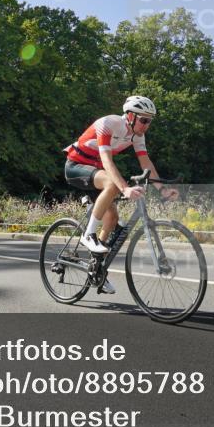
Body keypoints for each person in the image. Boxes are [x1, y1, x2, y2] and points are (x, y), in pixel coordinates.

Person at [64, 96, 178, 292]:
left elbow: (146, 163)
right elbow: (107, 161)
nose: (146, 125)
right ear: (131, 116)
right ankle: (88, 235)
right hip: (76, 166)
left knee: (113, 219)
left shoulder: (137, 135)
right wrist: (125, 188)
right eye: (144, 120)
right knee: (113, 184)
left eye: (150, 121)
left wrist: (163, 190)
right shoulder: (108, 124)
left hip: (96, 171)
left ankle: (96, 270)